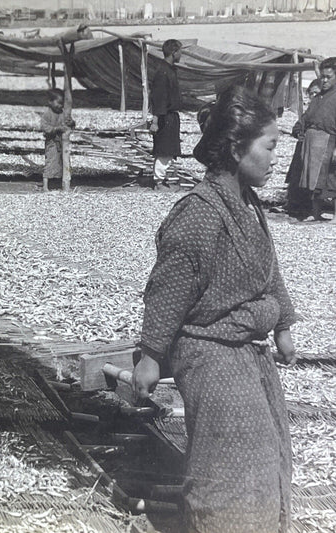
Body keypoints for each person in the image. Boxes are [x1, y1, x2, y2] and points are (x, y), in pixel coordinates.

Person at [134, 86, 297, 533]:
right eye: (270, 147)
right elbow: (167, 289)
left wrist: (282, 323)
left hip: (247, 348)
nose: (274, 158)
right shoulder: (199, 214)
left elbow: (269, 265)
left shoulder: (247, 202)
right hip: (208, 350)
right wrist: (150, 357)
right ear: (237, 147)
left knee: (268, 449)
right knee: (231, 458)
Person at [298, 57, 336, 222]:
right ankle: (315, 213)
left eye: (329, 77)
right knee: (313, 180)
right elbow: (306, 117)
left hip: (329, 141)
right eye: (323, 77)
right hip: (312, 143)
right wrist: (299, 129)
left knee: (330, 178)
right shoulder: (318, 97)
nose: (325, 80)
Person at [283, 78, 322, 217]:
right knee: (297, 175)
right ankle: (295, 203)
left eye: (316, 93)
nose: (312, 97)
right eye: (311, 93)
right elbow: (298, 125)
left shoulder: (326, 110)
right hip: (303, 149)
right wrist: (300, 132)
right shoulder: (309, 112)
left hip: (319, 151)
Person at [149, 39, 183, 185]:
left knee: (169, 149)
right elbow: (158, 98)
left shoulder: (169, 70)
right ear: (174, 52)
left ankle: (160, 179)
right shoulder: (163, 73)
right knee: (164, 150)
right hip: (165, 117)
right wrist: (155, 121)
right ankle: (158, 181)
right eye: (180, 51)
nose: (181, 54)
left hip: (170, 116)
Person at [40, 88, 74, 191]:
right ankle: (45, 185)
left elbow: (69, 123)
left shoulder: (62, 113)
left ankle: (61, 183)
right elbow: (45, 128)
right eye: (58, 103)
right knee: (50, 161)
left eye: (62, 103)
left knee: (61, 162)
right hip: (52, 142)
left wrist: (71, 123)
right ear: (50, 102)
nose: (60, 105)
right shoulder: (47, 115)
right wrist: (57, 129)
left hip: (61, 143)